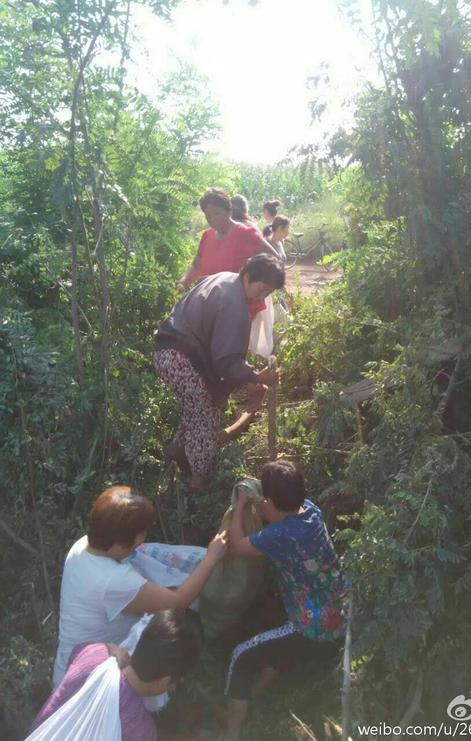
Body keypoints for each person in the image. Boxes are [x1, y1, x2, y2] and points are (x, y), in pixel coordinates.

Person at [52, 486, 226, 687]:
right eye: (141, 533)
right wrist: (211, 558)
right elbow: (179, 602)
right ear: (122, 540)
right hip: (88, 685)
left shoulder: (83, 546)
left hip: (71, 667)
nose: (143, 538)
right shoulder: (114, 581)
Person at [224, 460, 348, 740]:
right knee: (274, 640)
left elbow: (237, 546)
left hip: (314, 626)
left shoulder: (281, 535)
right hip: (339, 609)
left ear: (270, 500)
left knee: (240, 657)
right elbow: (283, 514)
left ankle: (228, 734)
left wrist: (241, 505)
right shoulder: (311, 511)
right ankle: (254, 698)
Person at [155, 254, 285, 493]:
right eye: (262, 290)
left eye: (268, 294)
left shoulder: (223, 279)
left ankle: (175, 455)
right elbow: (226, 363)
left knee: (196, 408)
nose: (262, 297)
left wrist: (248, 378)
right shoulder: (234, 304)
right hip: (182, 358)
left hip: (167, 352)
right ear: (247, 276)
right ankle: (197, 484)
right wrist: (256, 377)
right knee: (203, 417)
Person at [30, 609, 202, 741]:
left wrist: (109, 647)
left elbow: (78, 651)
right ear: (165, 681)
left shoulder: (94, 653)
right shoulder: (141, 729)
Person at [177, 189, 278, 293]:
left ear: (229, 211)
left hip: (243, 305)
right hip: (213, 302)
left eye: (216, 213)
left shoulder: (246, 234)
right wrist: (183, 282)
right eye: (208, 216)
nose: (212, 219)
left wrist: (260, 291)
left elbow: (276, 260)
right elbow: (196, 266)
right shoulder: (207, 236)